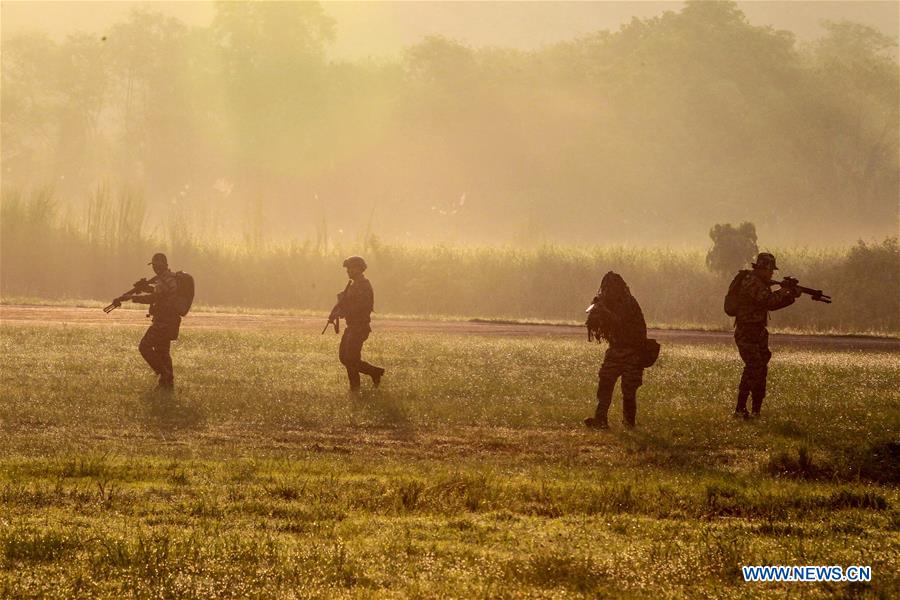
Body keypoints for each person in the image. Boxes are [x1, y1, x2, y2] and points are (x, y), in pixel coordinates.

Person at [731, 252, 800, 418]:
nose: (771, 274)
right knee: (754, 367)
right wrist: (784, 291)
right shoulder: (751, 281)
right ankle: (740, 408)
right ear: (763, 268)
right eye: (770, 270)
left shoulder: (761, 282)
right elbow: (768, 300)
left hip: (758, 331)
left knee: (761, 368)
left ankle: (756, 410)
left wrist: (791, 296)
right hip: (747, 331)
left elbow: (773, 305)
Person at [584, 271, 647, 429]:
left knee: (628, 389)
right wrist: (595, 313)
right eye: (605, 287)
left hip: (633, 351)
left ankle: (629, 424)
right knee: (605, 382)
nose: (606, 291)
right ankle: (600, 419)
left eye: (609, 287)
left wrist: (604, 311)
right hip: (616, 349)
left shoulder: (628, 303)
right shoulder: (607, 302)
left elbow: (620, 323)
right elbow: (596, 326)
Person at [128, 253, 181, 390]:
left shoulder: (164, 280)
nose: (155, 268)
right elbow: (162, 294)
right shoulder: (168, 279)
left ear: (162, 265)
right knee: (162, 351)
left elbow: (154, 298)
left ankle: (165, 375)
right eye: (154, 266)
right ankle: (167, 385)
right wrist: (147, 288)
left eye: (156, 265)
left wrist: (133, 297)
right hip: (169, 321)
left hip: (163, 322)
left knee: (144, 347)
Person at [335, 256, 385, 393]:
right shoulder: (353, 285)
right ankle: (374, 372)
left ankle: (355, 389)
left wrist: (344, 310)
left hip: (359, 327)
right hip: (352, 327)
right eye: (348, 268)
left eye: (351, 268)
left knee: (351, 359)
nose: (348, 271)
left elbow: (361, 307)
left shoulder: (363, 286)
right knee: (344, 358)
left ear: (359, 269)